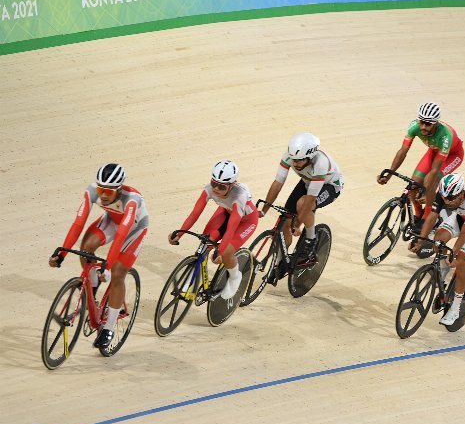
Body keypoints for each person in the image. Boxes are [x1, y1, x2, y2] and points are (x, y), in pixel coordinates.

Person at [48, 164, 149, 349]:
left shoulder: (132, 200)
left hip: (133, 230)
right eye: (101, 189)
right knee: (86, 248)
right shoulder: (92, 191)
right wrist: (61, 254)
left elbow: (121, 236)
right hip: (112, 220)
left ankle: (109, 328)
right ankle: (92, 294)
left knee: (118, 274)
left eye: (108, 191)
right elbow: (78, 223)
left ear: (119, 189)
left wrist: (108, 267)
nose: (103, 195)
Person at [410, 173, 465, 326]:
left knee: (461, 261)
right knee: (438, 241)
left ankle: (455, 308)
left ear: (461, 194)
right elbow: (432, 216)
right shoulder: (445, 195)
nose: (447, 202)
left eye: (451, 199)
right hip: (460, 217)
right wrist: (421, 240)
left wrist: (454, 253)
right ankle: (443, 270)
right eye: (445, 198)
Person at [169, 160, 258, 300]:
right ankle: (190, 280)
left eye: (221, 187)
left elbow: (231, 228)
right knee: (204, 244)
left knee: (227, 253)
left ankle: (235, 277)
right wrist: (180, 233)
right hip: (225, 213)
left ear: (232, 185)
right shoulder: (209, 189)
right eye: (214, 183)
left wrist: (222, 250)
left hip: (246, 222)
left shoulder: (239, 196)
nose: (216, 189)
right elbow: (195, 214)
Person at [260, 132, 343, 268]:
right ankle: (280, 261)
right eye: (293, 160)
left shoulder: (320, 164)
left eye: (299, 160)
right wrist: (264, 209)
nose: (295, 163)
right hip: (308, 182)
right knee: (286, 219)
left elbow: (310, 200)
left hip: (330, 186)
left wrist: (297, 224)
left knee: (303, 204)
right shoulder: (290, 155)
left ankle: (311, 239)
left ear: (310, 157)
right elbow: (278, 183)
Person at [377, 102, 464, 231]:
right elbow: (402, 151)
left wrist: (426, 190)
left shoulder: (445, 136)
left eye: (428, 124)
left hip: (452, 155)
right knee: (413, 184)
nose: (423, 126)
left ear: (435, 123)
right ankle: (418, 213)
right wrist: (389, 173)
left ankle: (427, 216)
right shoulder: (414, 126)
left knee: (432, 181)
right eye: (421, 121)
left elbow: (434, 170)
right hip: (434, 151)